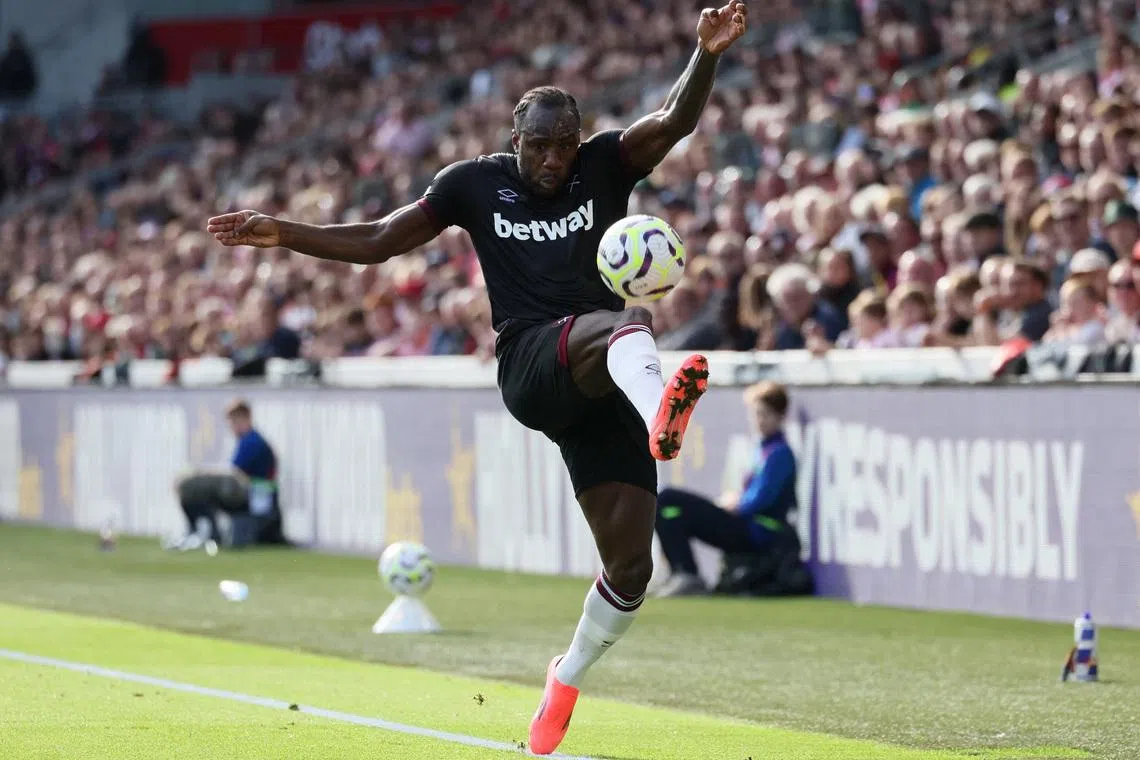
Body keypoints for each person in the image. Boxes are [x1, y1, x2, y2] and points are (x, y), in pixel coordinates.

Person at [205, 3, 748, 753]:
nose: (554, 161)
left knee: (630, 567)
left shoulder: (605, 164)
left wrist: (707, 53)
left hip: (601, 382)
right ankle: (664, 408)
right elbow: (378, 239)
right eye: (539, 148)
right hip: (533, 361)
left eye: (564, 146)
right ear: (512, 141)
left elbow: (674, 121)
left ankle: (565, 679)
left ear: (578, 140)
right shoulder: (473, 184)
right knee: (631, 324)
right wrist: (283, 232)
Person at [654, 381, 799, 597]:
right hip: (746, 524)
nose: (759, 420)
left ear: (781, 416)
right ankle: (681, 572)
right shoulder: (764, 449)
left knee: (668, 498)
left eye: (766, 414)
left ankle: (688, 575)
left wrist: (735, 503)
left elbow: (761, 499)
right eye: (756, 414)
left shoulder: (780, 453)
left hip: (758, 530)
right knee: (668, 510)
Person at [168, 400, 286, 550]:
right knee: (197, 489)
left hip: (258, 498)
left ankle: (204, 533)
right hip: (254, 496)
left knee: (190, 485)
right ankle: (204, 532)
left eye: (235, 421)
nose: (231, 427)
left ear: (246, 419)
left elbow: (235, 475)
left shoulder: (252, 442)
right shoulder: (247, 441)